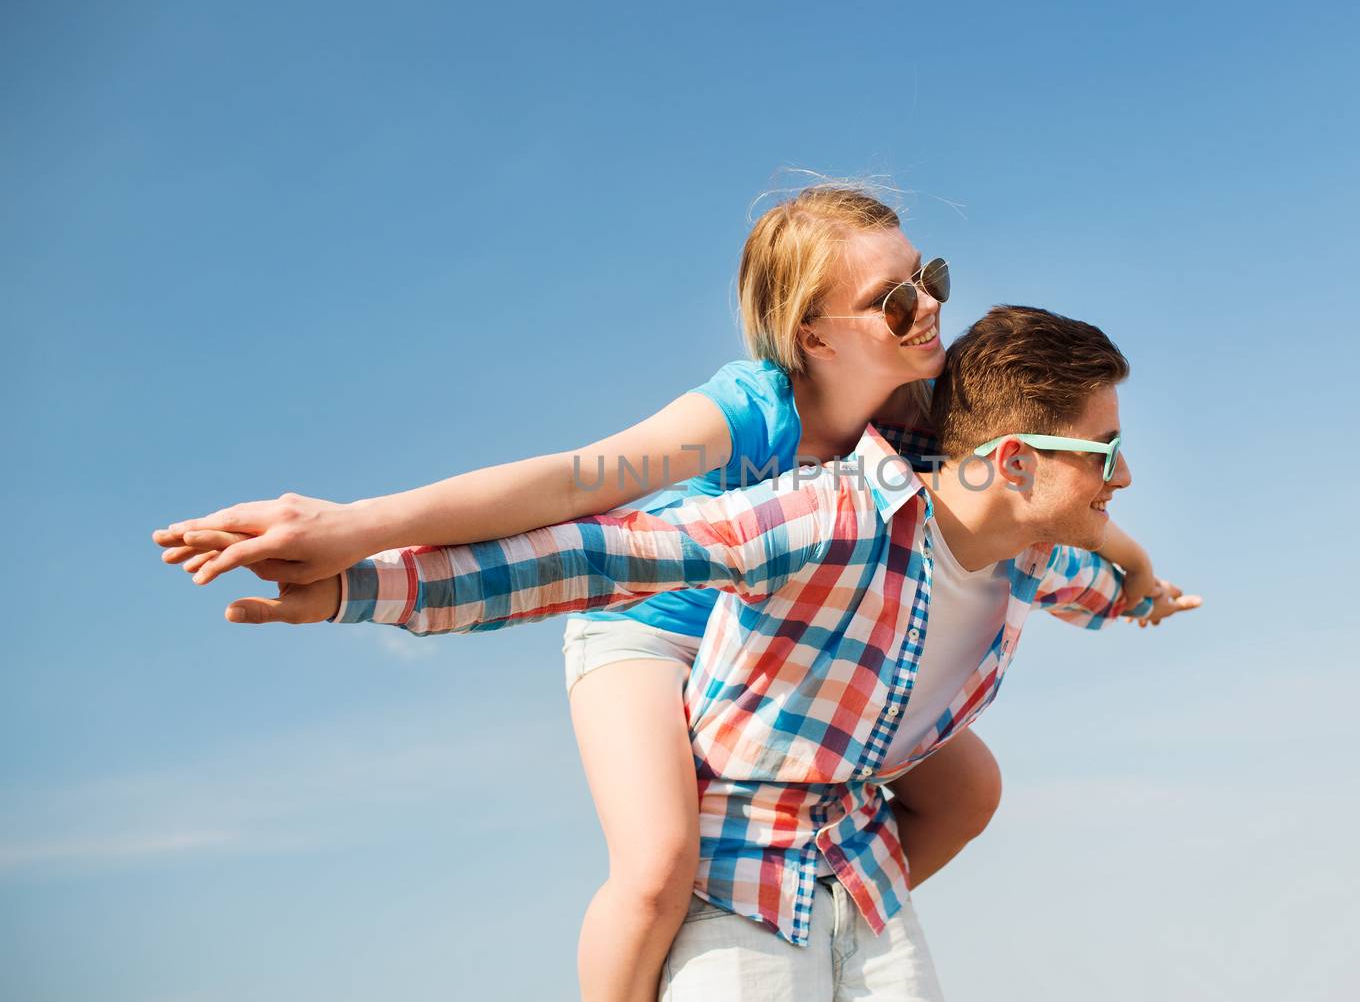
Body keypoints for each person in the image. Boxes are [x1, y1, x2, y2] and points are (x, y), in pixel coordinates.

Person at [153, 187, 1168, 1002]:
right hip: (653, 616)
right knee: (657, 861)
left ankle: (809, 915)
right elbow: (573, 485)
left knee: (968, 790)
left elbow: (1038, 478)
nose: (929, 307)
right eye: (894, 300)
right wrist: (354, 528)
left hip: (776, 643)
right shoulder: (753, 405)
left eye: (929, 278)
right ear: (814, 335)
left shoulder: (916, 417)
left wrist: (1128, 565)